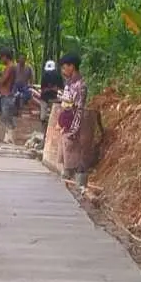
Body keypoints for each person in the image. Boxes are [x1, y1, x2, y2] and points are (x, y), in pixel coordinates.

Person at [57, 53, 89, 190]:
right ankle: (70, 184)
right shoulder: (69, 83)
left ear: (72, 66)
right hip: (66, 125)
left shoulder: (80, 85)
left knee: (75, 157)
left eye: (65, 68)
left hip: (73, 127)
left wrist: (74, 129)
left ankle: (79, 185)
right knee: (67, 156)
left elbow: (79, 109)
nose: (63, 71)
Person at [0, 47, 18, 145]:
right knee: (6, 117)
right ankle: (7, 137)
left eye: (1, 58)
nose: (1, 60)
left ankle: (10, 138)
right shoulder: (9, 67)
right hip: (6, 94)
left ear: (5, 57)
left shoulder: (10, 67)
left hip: (7, 95)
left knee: (7, 116)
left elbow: (3, 81)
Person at [38, 59, 64, 132]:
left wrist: (56, 90)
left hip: (55, 98)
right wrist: (51, 88)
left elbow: (62, 89)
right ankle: (43, 129)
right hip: (44, 98)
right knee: (43, 117)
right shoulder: (44, 76)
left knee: (56, 115)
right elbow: (42, 89)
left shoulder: (58, 76)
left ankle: (53, 129)